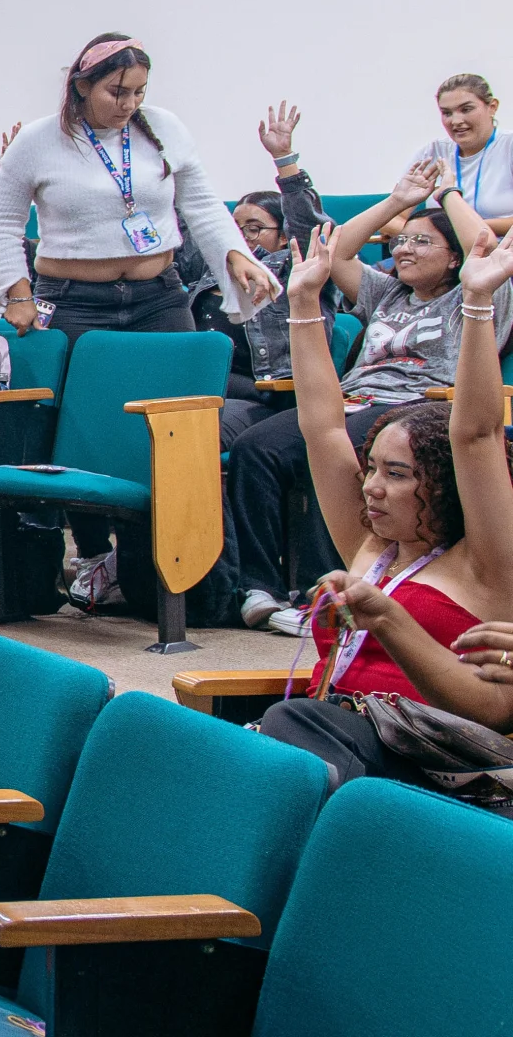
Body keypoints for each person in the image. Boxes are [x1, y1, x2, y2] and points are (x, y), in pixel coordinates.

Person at [0, 33, 278, 609]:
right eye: (117, 91)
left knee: (182, 416)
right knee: (80, 426)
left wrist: (235, 255)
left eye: (139, 92)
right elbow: (2, 225)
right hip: (72, 298)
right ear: (81, 86)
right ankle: (93, 553)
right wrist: (17, 293)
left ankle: (172, 564)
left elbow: (200, 205)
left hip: (158, 295)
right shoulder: (39, 141)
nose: (129, 104)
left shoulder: (164, 127)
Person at [254, 220, 513, 787]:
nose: (370, 487)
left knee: (284, 729)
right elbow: (322, 428)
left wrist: (475, 299)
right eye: (372, 468)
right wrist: (302, 301)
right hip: (328, 736)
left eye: (395, 475)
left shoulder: (487, 565)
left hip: (423, 757)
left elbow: (475, 434)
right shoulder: (372, 545)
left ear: (445, 487)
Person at [220, 164, 498, 633]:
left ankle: (321, 593)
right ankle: (261, 588)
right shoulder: (388, 293)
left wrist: (446, 190)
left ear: (455, 259)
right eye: (401, 240)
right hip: (354, 401)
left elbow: (484, 250)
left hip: (417, 407)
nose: (405, 249)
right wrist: (398, 200)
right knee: (258, 446)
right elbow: (336, 252)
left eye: (422, 241)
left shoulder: (476, 295)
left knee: (331, 452)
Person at [203, 103, 330, 440]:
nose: (242, 238)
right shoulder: (211, 272)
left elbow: (309, 227)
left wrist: (285, 160)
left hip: (259, 399)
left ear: (285, 237)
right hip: (197, 389)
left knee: (189, 430)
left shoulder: (295, 271)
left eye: (255, 228)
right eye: (236, 229)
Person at [406, 74, 513, 235]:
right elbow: (391, 218)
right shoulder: (433, 152)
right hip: (441, 254)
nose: (455, 121)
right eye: (447, 113)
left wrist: (459, 229)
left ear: (492, 107)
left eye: (466, 109)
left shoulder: (508, 146)